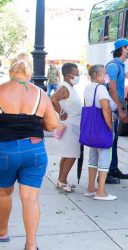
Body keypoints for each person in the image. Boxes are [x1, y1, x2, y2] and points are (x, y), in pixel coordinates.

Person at [0, 53, 58, 250]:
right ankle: (31, 245)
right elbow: (52, 125)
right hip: (34, 150)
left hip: (4, 150)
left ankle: (2, 232)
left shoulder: (0, 90)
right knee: (30, 198)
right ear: (29, 71)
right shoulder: (40, 94)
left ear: (11, 70)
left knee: (3, 194)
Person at [83, 64, 117, 201]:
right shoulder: (101, 88)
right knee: (104, 158)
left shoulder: (87, 88)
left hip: (91, 129)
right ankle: (101, 191)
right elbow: (105, 109)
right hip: (101, 128)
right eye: (104, 74)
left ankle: (91, 188)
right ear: (97, 75)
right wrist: (109, 127)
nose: (106, 77)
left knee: (93, 157)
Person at [50, 63, 82, 193]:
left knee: (67, 154)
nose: (78, 75)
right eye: (77, 73)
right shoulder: (64, 87)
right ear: (69, 75)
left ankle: (61, 180)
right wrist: (61, 112)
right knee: (71, 155)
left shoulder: (69, 86)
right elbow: (53, 99)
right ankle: (62, 181)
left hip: (73, 125)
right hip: (70, 126)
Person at [106, 38, 128, 184]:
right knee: (110, 140)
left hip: (115, 106)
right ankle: (107, 171)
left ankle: (113, 167)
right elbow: (112, 89)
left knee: (115, 139)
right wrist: (120, 108)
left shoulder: (120, 65)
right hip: (111, 108)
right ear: (123, 49)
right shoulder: (113, 66)